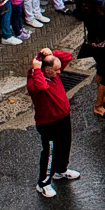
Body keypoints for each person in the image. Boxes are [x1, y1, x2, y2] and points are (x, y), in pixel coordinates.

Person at [27, 47, 77, 198]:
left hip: (63, 118)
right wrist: (36, 69)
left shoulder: (52, 73)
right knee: (50, 152)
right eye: (55, 70)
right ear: (45, 70)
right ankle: (43, 183)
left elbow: (67, 56)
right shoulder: (34, 81)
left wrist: (51, 53)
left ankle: (61, 169)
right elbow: (41, 87)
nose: (59, 73)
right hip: (48, 123)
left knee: (65, 144)